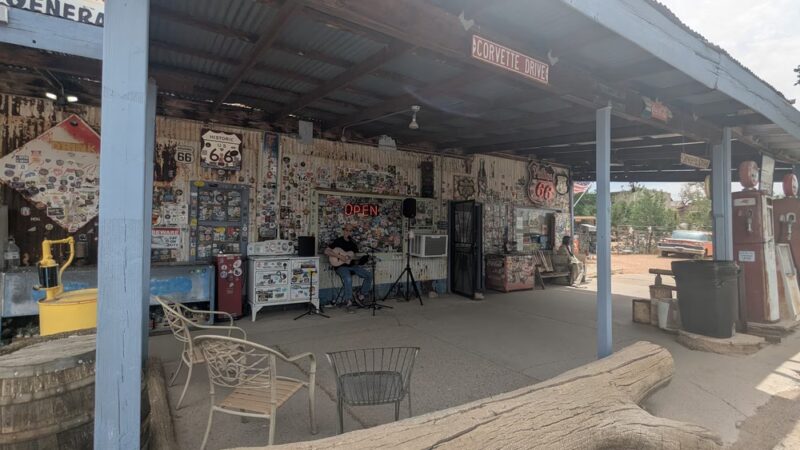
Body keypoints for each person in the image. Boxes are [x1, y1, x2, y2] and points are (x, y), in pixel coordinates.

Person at [324, 224, 373, 312]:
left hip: (352, 266)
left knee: (369, 275)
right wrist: (340, 257)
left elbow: (354, 257)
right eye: (346, 230)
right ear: (343, 230)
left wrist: (363, 258)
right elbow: (326, 251)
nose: (348, 232)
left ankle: (361, 295)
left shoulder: (353, 243)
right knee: (348, 278)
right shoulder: (338, 241)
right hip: (340, 267)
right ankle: (348, 301)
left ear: (351, 232)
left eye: (350, 231)